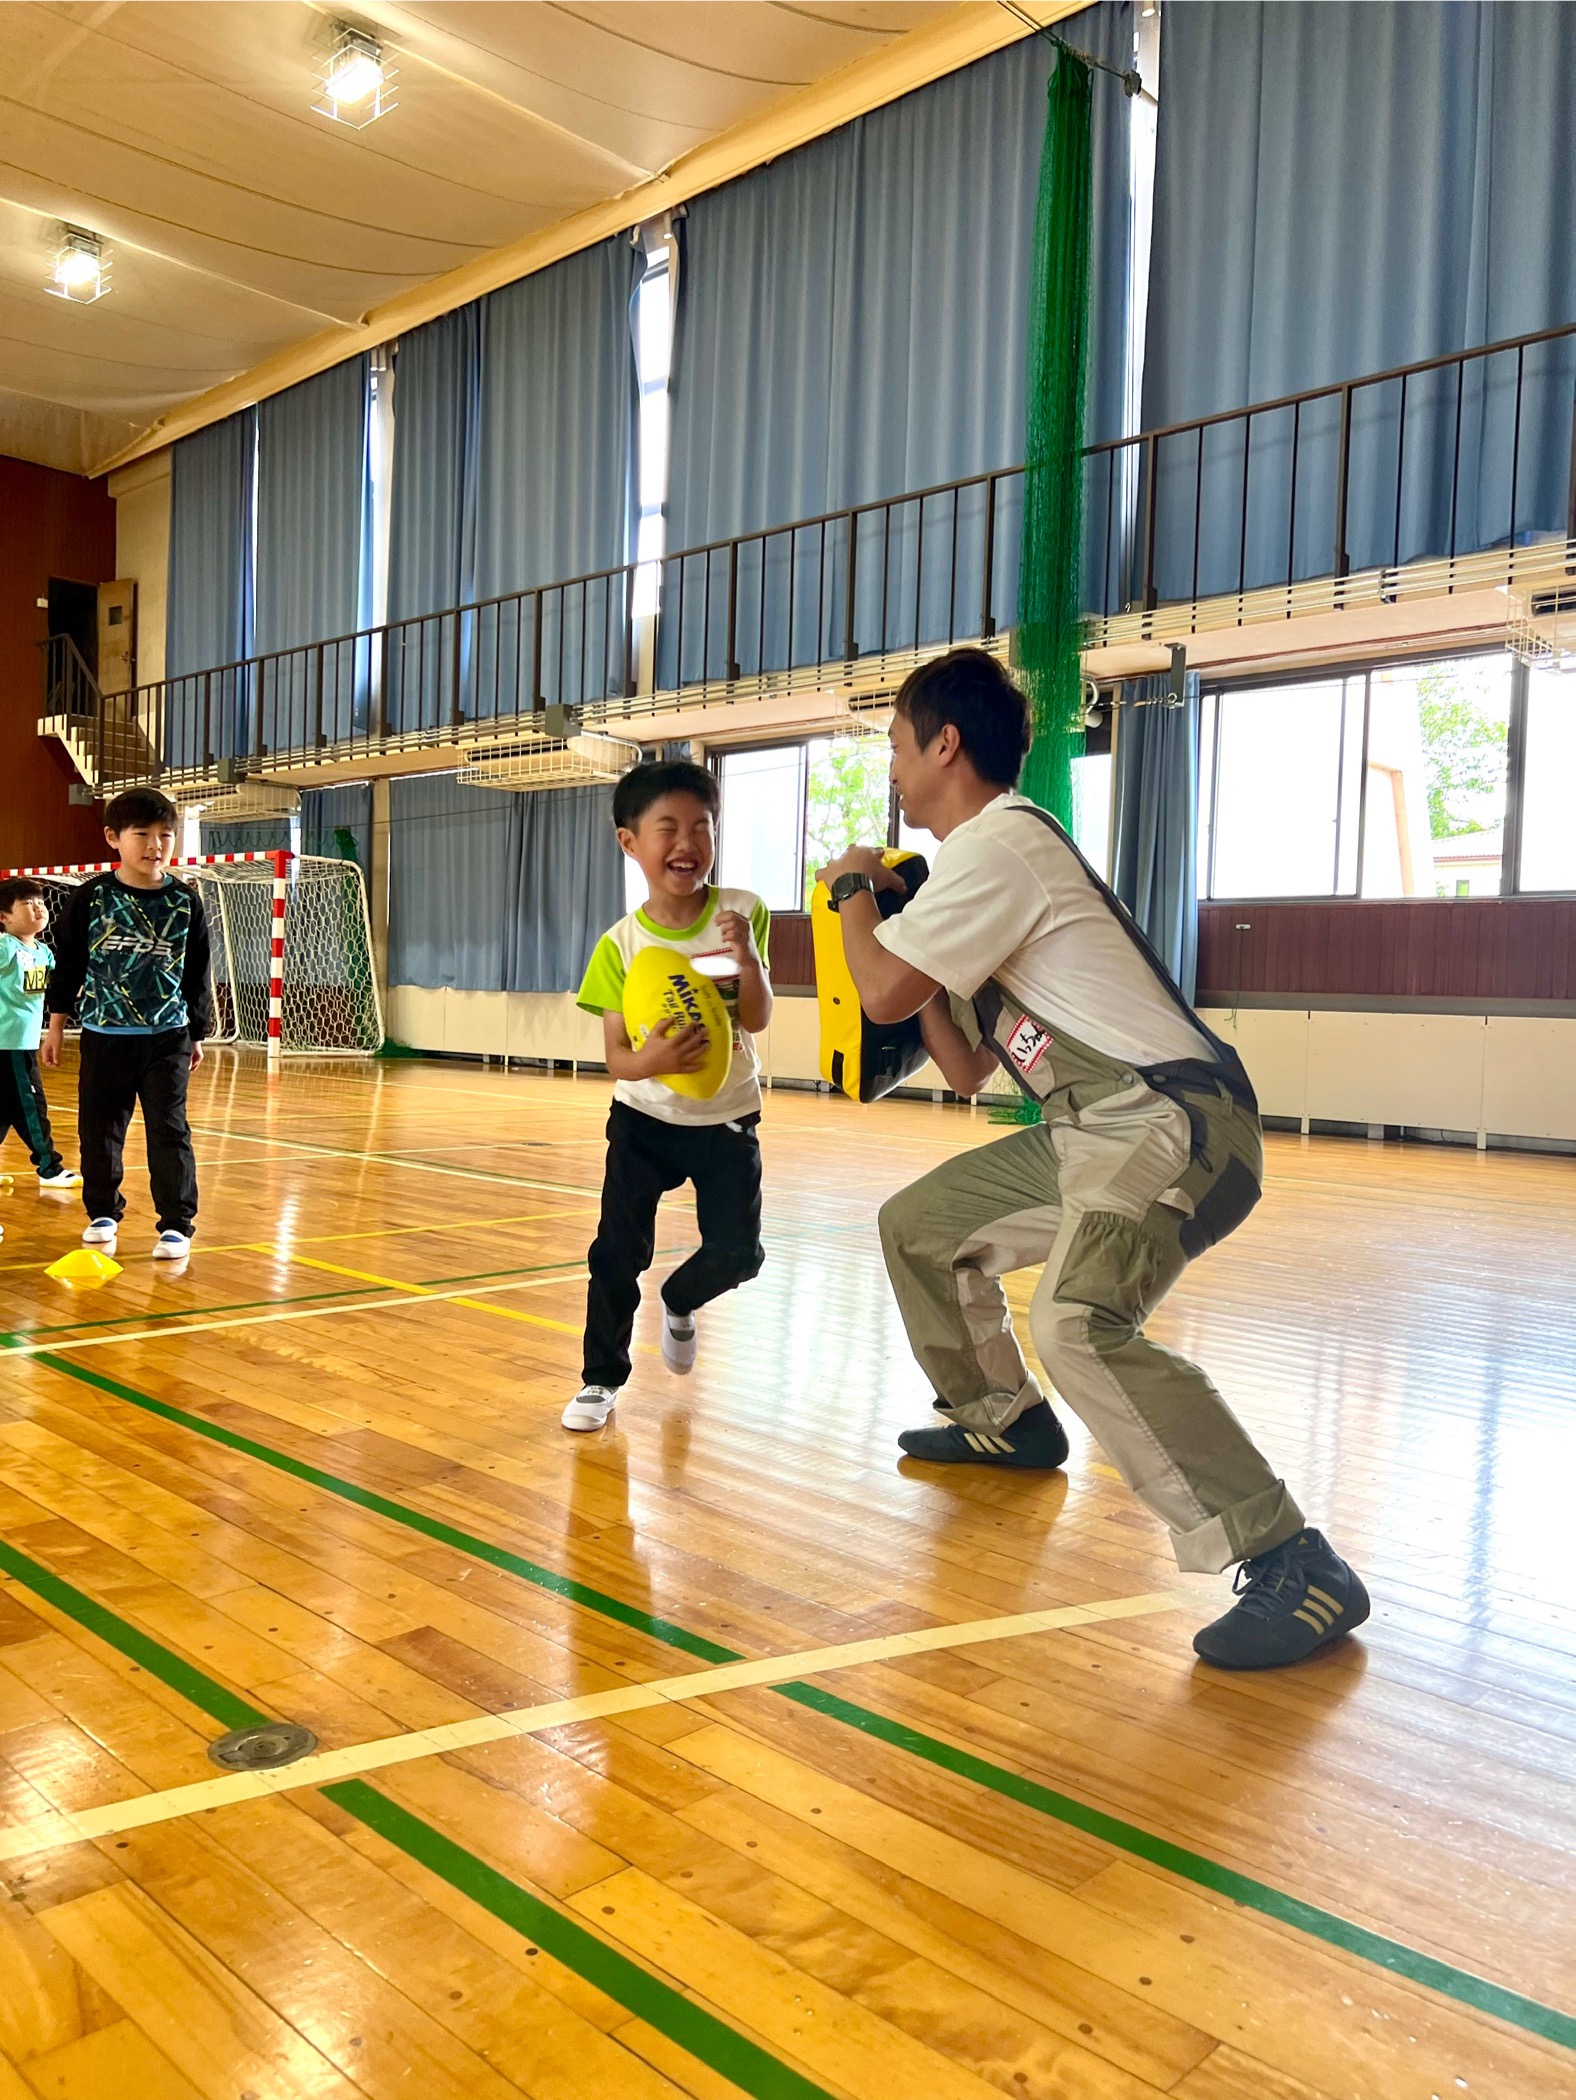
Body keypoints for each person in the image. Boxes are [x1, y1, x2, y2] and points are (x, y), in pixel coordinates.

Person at [815, 648, 1367, 1671]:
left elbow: (881, 991)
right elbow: (971, 1069)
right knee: (919, 1227)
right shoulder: (973, 874)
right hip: (1086, 1123)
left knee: (1076, 1323)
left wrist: (853, 888)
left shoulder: (1001, 844)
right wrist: (910, 942)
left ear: (946, 744)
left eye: (896, 747)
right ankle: (1003, 1421)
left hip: (1170, 1116)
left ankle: (1291, 1558)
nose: (891, 772)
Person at [566, 759, 773, 1433]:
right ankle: (601, 1380)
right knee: (615, 1254)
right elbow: (618, 1060)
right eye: (668, 828)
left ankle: (681, 1300)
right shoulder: (620, 947)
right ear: (631, 843)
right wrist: (651, 1059)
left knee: (741, 1254)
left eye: (701, 827)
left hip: (729, 1116)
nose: (687, 843)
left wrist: (748, 963)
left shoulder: (742, 914)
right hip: (645, 1122)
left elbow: (758, 1018)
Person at [43, 787, 211, 1262]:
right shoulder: (92, 896)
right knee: (99, 1129)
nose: (155, 845)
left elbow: (197, 970)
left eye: (164, 835)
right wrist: (56, 1025)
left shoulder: (184, 900)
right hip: (103, 1035)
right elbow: (70, 962)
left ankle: (177, 1224)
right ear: (113, 838)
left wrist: (196, 1032)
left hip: (167, 1038)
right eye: (142, 834)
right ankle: (102, 1212)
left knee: (169, 1129)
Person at [0, 877, 82, 1211]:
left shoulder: (44, 952)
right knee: (32, 1107)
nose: (38, 908)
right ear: (4, 916)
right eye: (27, 904)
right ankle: (49, 1167)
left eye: (40, 903)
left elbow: (58, 989)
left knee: (3, 1111)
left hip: (25, 1042)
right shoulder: (5, 946)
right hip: (10, 1044)